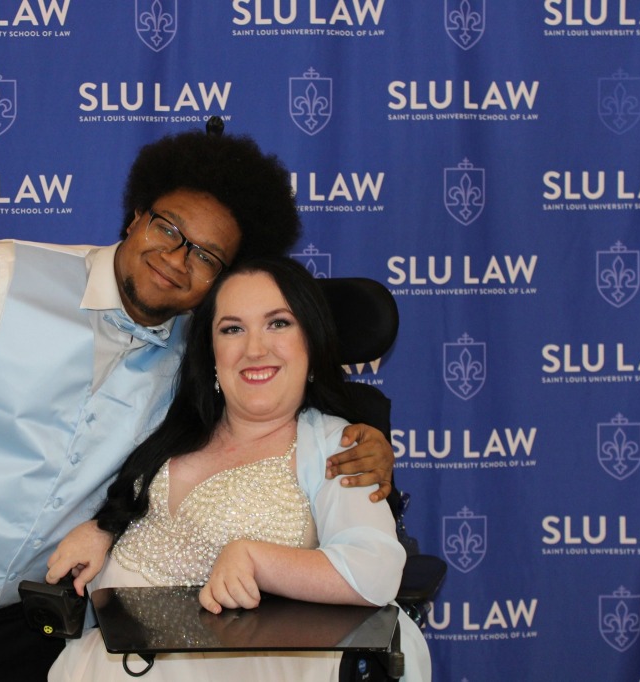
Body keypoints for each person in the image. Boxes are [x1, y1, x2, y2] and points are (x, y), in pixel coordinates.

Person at [0, 126, 396, 681]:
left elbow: (269, 422)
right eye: (169, 229)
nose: (176, 260)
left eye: (206, 256)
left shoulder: (207, 360)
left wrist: (369, 443)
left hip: (28, 634)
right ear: (135, 216)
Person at [47, 256, 431, 682]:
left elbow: (374, 572)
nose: (254, 349)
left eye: (278, 324)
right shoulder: (169, 426)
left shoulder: (337, 445)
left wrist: (255, 558)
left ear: (312, 341)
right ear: (211, 353)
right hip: (107, 662)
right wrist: (104, 527)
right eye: (232, 329)